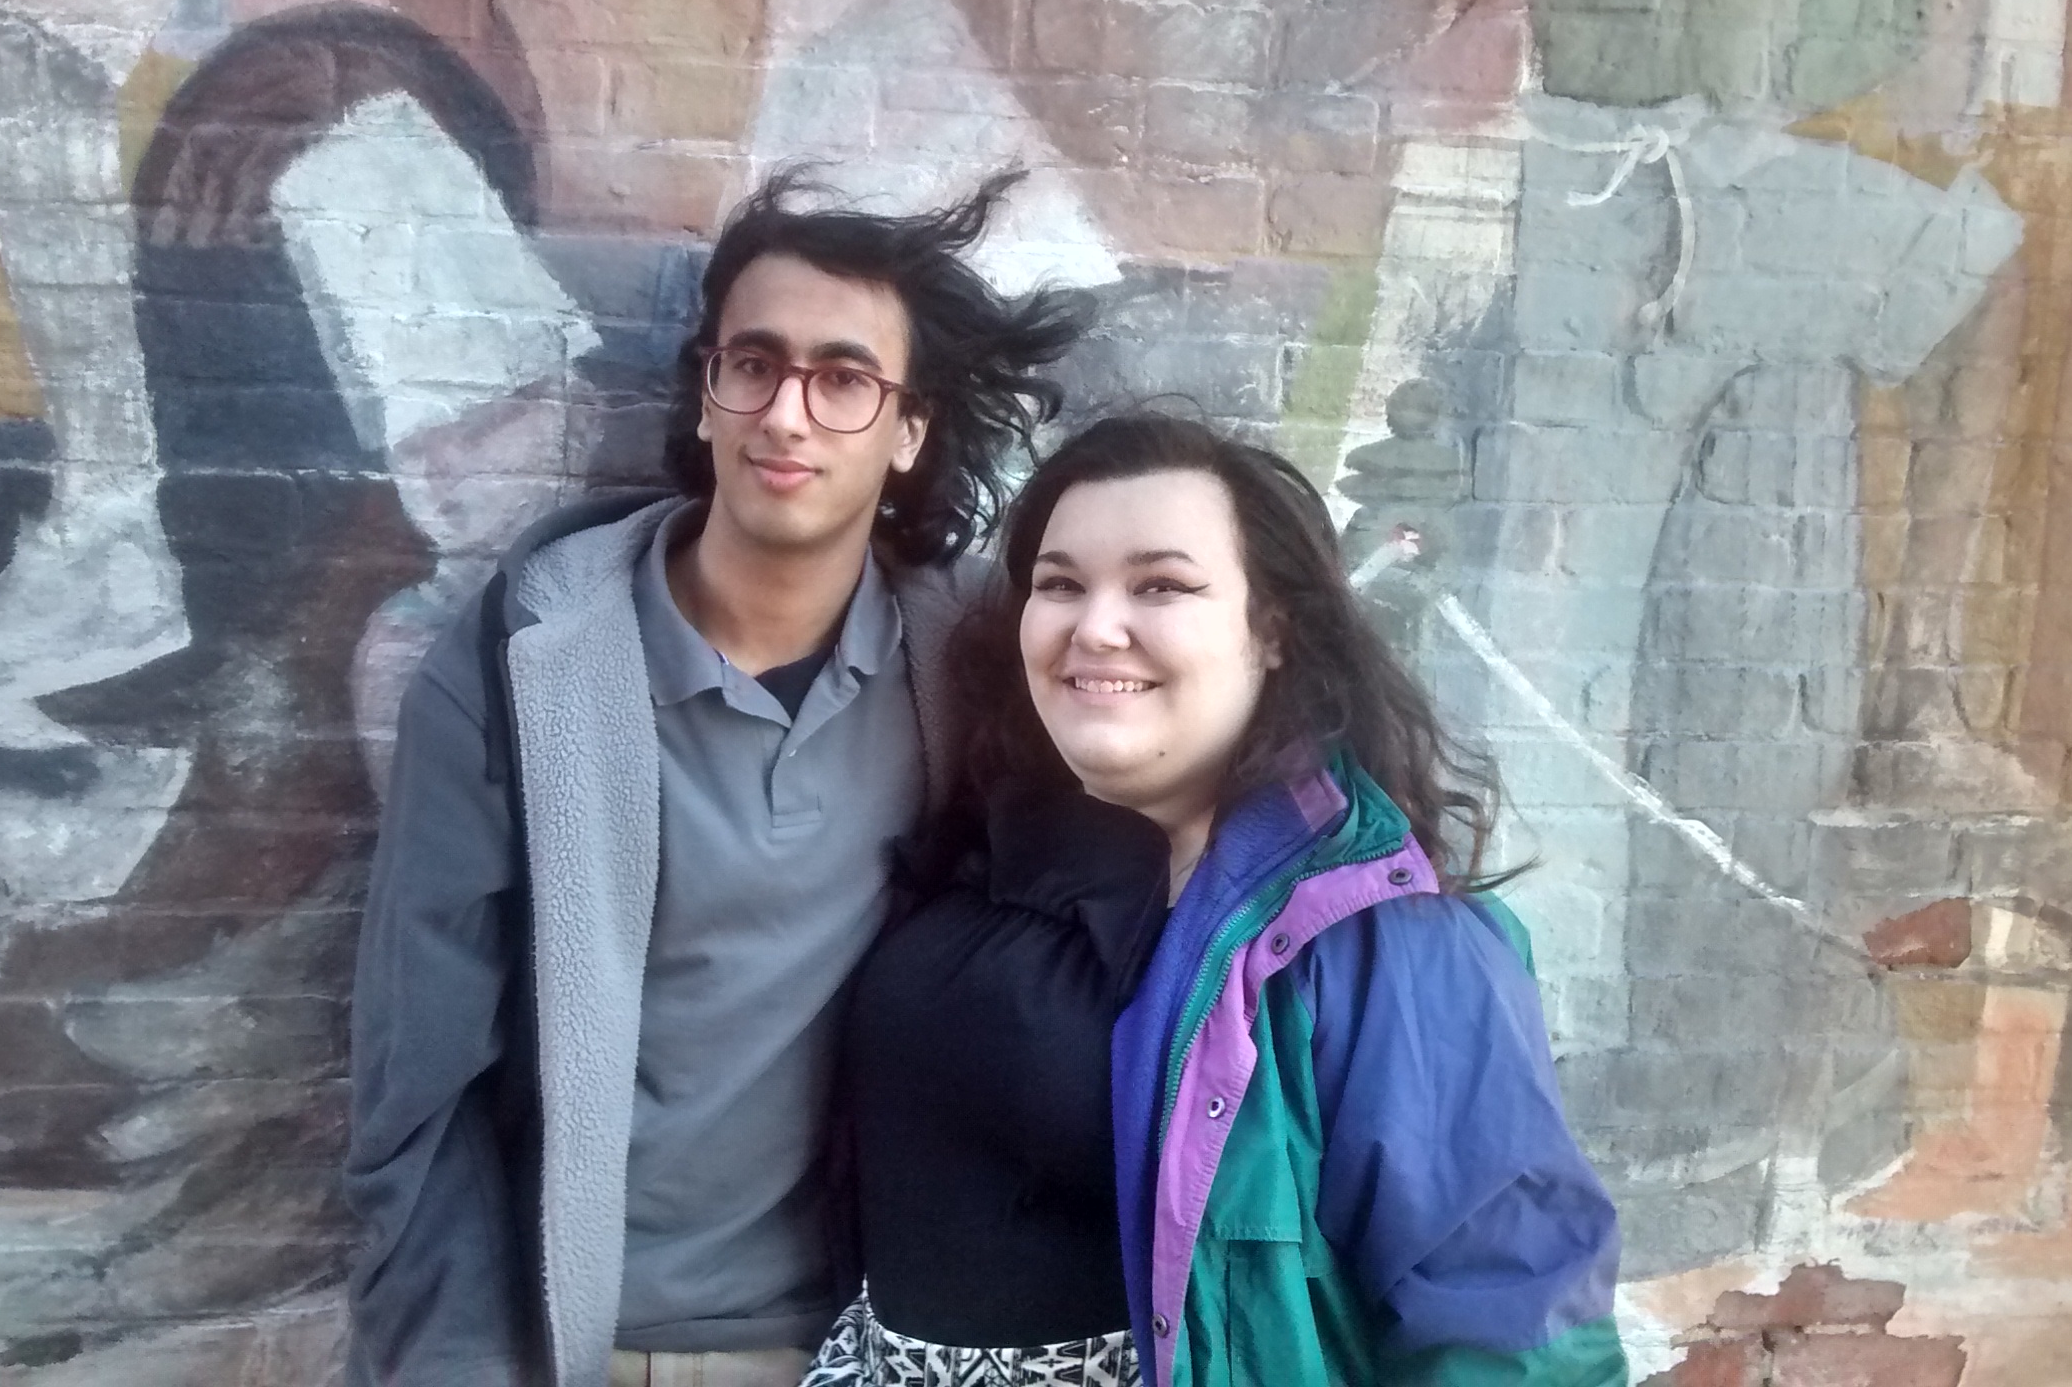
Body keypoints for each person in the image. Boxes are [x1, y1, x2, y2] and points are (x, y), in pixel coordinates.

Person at [343, 168, 1091, 1387]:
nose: (786, 414)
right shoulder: (525, 665)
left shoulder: (969, 669)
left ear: (909, 432)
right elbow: (417, 1088)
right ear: (706, 395)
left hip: (860, 1346)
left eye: (843, 379)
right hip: (585, 1343)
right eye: (755, 364)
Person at [811, 412, 1628, 1386]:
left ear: (1272, 631)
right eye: (1059, 584)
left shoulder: (1387, 946)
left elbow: (1512, 1330)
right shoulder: (997, 837)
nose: (1093, 626)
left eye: (1161, 585)